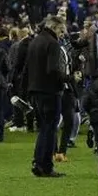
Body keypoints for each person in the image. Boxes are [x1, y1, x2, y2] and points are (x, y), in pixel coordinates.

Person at [26, 14, 69, 177]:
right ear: (54, 27)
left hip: (35, 90)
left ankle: (38, 163)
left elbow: (27, 67)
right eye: (61, 30)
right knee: (50, 129)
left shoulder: (35, 41)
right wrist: (69, 78)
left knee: (44, 128)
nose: (62, 34)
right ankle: (46, 166)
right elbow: (53, 70)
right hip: (50, 91)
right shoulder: (53, 43)